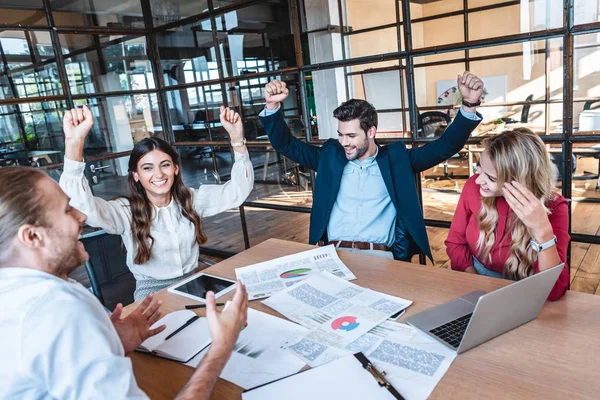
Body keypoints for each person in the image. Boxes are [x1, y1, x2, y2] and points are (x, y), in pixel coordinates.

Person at [0, 166, 249, 399]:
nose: (82, 215)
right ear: (32, 236)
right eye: (67, 210)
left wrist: (107, 340)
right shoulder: (59, 310)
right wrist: (221, 347)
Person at [259, 72, 483, 261]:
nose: (344, 142)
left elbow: (444, 146)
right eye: (340, 135)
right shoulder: (329, 156)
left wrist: (469, 105)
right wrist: (272, 106)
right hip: (333, 255)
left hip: (382, 258)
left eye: (351, 135)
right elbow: (286, 144)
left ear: (371, 132)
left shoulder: (396, 160)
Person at [59, 105, 254, 300]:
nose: (159, 174)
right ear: (136, 175)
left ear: (176, 168)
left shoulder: (190, 199)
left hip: (193, 283)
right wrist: (74, 143)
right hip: (151, 294)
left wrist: (237, 140)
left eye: (165, 165)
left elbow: (238, 191)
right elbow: (82, 206)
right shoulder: (125, 212)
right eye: (147, 168)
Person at [445, 128, 569, 300]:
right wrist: (474, 285)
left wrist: (543, 231)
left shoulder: (555, 206)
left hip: (526, 290)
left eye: (491, 178)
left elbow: (554, 291)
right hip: (474, 277)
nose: (478, 180)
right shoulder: (474, 186)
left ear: (520, 180)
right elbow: (455, 242)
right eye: (479, 168)